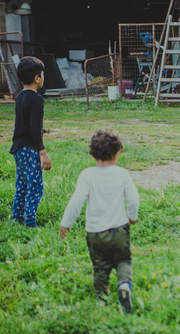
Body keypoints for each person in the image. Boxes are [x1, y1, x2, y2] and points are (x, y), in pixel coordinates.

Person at [59, 130, 140, 315]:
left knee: (100, 265)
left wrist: (66, 222)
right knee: (123, 260)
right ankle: (125, 285)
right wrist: (132, 216)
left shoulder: (87, 175)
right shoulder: (122, 174)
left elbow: (76, 200)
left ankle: (101, 297)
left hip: (95, 233)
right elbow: (134, 198)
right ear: (118, 153)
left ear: (92, 154)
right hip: (120, 229)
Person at [10, 56, 51, 228]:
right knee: (35, 187)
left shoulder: (20, 97)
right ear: (37, 78)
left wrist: (41, 130)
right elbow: (33, 129)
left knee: (22, 185)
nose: (43, 77)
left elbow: (24, 123)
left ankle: (17, 217)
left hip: (18, 148)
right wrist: (43, 152)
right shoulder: (37, 100)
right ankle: (30, 222)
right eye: (42, 74)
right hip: (29, 149)